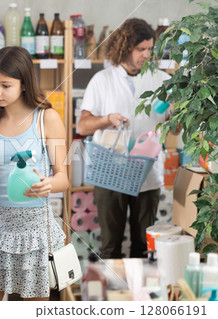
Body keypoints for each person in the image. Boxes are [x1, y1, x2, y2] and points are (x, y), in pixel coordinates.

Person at [0, 46, 68, 301]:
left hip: (36, 233)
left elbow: (64, 178)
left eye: (6, 85)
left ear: (24, 84)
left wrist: (48, 184)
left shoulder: (47, 118)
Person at [78, 18, 173, 259]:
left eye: (150, 49)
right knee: (110, 248)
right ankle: (114, 295)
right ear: (124, 47)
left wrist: (176, 114)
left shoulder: (161, 81)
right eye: (140, 49)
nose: (146, 54)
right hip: (111, 173)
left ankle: (141, 295)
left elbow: (177, 131)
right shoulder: (102, 81)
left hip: (147, 174)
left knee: (145, 248)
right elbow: (83, 125)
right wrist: (107, 118)